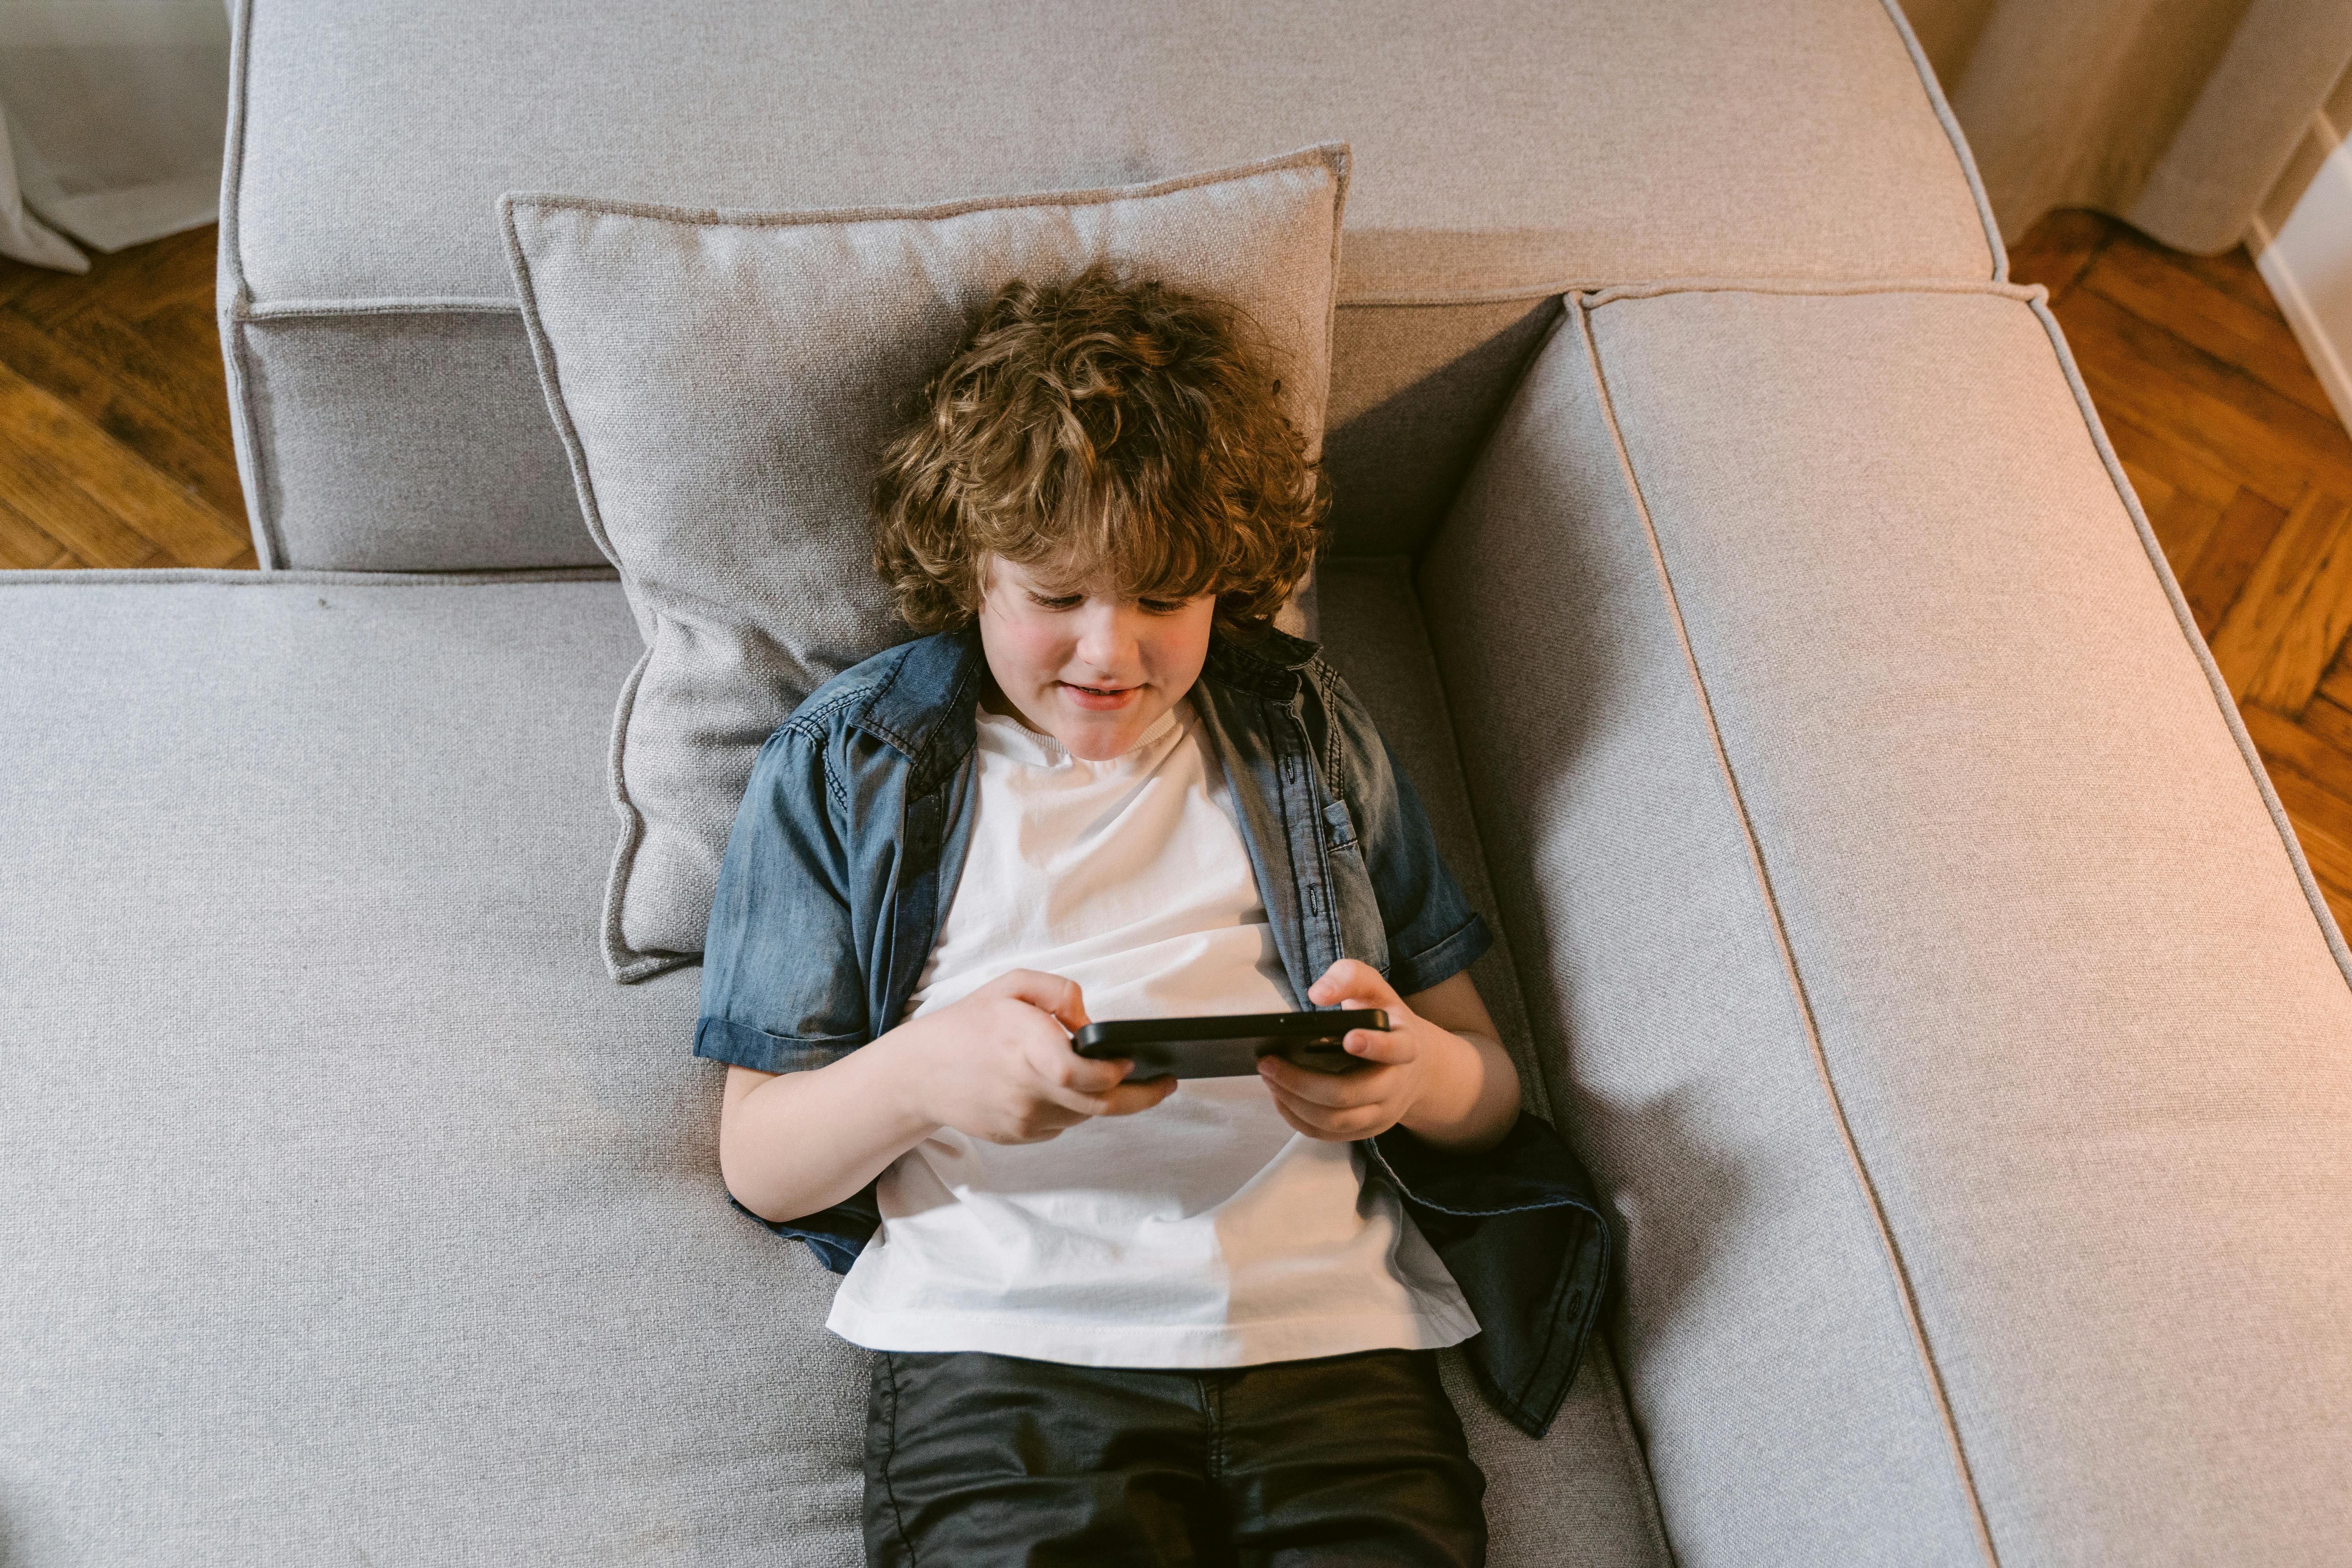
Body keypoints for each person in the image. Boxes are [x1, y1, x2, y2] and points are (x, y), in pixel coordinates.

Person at [697, 263, 1610, 1567]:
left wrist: (1410, 1079)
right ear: (971, 563)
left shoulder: (1302, 724)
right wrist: (926, 1073)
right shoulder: (856, 758)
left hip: (1333, 1348)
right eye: (1058, 596)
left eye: (1165, 597)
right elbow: (762, 1156)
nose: (1111, 655)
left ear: (1225, 581)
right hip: (1005, 1355)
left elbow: (1490, 1091)